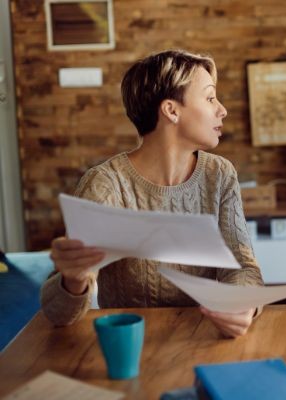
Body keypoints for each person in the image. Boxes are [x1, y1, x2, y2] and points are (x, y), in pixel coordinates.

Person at [40, 50, 263, 338]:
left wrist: (240, 305)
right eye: (210, 98)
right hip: (128, 347)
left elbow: (243, 267)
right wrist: (74, 280)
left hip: (206, 339)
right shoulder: (105, 184)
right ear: (171, 110)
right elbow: (57, 314)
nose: (222, 110)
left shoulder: (219, 174)